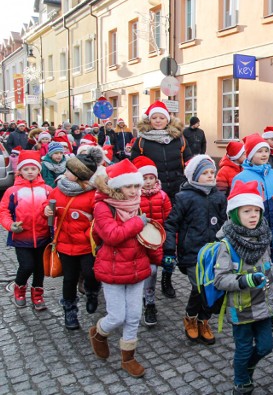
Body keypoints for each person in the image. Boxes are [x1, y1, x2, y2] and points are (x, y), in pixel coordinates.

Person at [89, 159, 162, 378]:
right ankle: (99, 332)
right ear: (116, 186)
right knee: (117, 316)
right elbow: (112, 236)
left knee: (134, 316)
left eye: (136, 186)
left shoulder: (136, 204)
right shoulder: (102, 206)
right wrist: (138, 223)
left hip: (136, 266)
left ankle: (128, 358)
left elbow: (146, 236)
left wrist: (157, 255)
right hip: (112, 269)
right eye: (128, 186)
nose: (134, 191)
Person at [213, 180, 273, 395]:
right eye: (247, 211)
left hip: (263, 306)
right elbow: (220, 280)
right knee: (243, 349)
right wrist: (243, 280)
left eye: (256, 211)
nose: (253, 216)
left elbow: (268, 268)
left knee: (266, 346)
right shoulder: (226, 244)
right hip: (241, 308)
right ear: (235, 213)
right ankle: (241, 381)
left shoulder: (263, 236)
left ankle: (248, 366)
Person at [163, 155, 227, 343]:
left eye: (212, 172)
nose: (210, 176)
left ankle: (203, 320)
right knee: (199, 287)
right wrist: (169, 250)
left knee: (213, 287)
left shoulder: (218, 196)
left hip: (214, 252)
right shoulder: (184, 197)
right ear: (194, 176)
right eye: (205, 173)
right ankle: (190, 318)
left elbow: (224, 223)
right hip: (192, 253)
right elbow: (171, 224)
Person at [44, 147, 103, 329]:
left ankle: (92, 292)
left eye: (69, 171)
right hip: (64, 244)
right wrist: (45, 211)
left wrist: (87, 235)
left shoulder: (93, 195)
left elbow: (99, 221)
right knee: (69, 279)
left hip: (86, 245)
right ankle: (70, 311)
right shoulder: (58, 190)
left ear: (78, 175)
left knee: (91, 273)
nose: (65, 172)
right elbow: (48, 209)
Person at [232, 133, 273, 332]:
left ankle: (271, 312)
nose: (264, 154)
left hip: (271, 234)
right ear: (250, 154)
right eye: (259, 151)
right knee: (253, 274)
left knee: (270, 275)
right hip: (251, 236)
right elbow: (234, 210)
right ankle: (250, 311)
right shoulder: (241, 177)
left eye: (265, 151)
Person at [0, 151, 53, 310]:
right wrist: (10, 225)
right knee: (27, 266)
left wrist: (48, 212)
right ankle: (20, 287)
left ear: (39, 170)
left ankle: (37, 295)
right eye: (26, 169)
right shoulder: (13, 191)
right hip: (22, 237)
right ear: (20, 171)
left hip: (43, 236)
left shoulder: (46, 189)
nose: (30, 172)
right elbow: (4, 211)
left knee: (40, 268)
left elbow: (51, 207)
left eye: (33, 168)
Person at [134, 156, 172, 327]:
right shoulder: (134, 197)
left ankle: (150, 299)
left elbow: (169, 218)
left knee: (154, 270)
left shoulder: (163, 196)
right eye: (144, 178)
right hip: (139, 242)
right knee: (145, 271)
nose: (148, 182)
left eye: (151, 178)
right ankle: (146, 300)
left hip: (158, 241)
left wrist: (170, 240)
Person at [130, 101, 193, 202]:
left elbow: (189, 160)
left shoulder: (179, 138)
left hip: (179, 186)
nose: (158, 121)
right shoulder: (142, 141)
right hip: (152, 190)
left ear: (167, 120)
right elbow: (134, 163)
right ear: (149, 120)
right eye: (154, 118)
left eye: (162, 118)